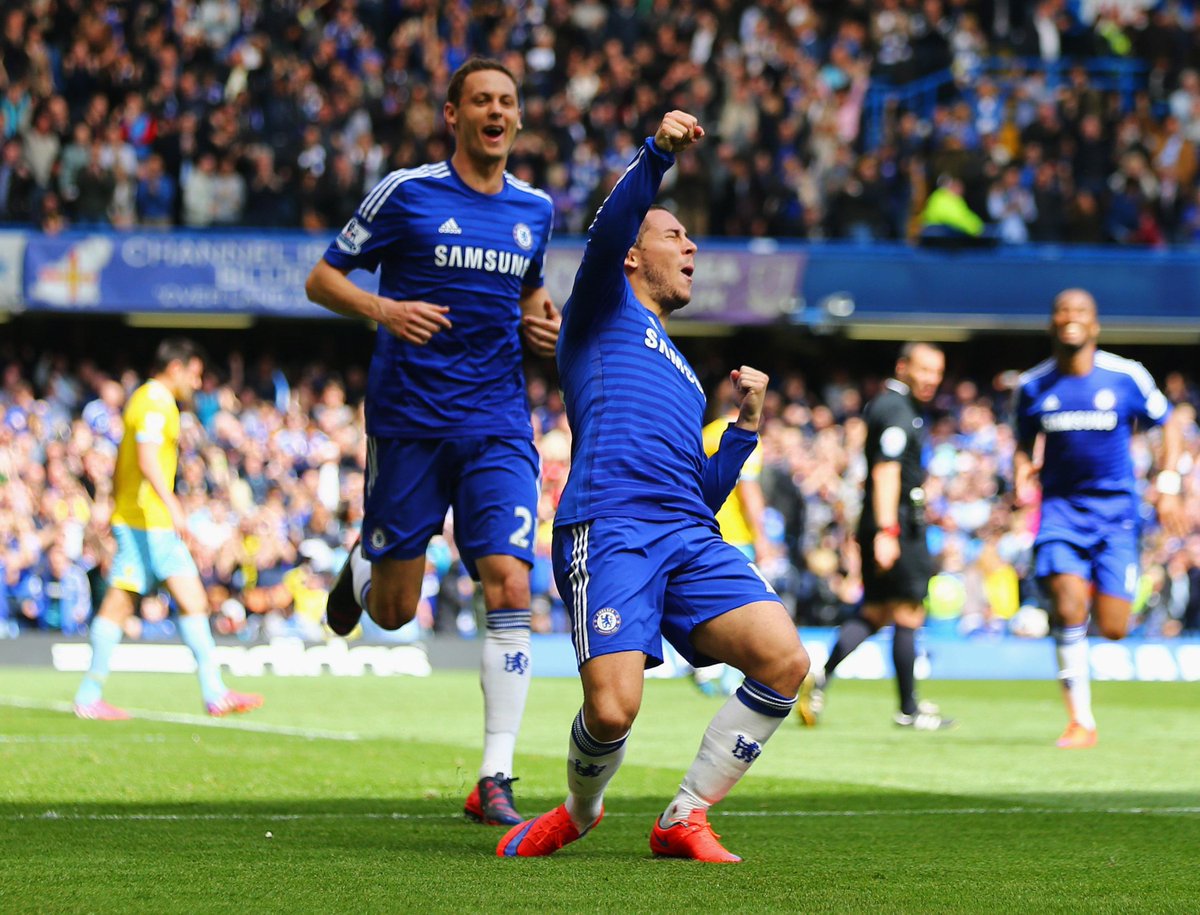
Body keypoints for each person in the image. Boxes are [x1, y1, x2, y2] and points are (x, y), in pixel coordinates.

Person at [497, 111, 809, 864]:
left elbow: (698, 497)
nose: (691, 246)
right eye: (674, 236)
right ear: (633, 258)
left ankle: (685, 814)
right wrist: (656, 156)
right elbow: (607, 233)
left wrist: (742, 430)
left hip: (688, 536)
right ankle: (579, 808)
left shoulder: (679, 367)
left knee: (786, 660)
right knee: (612, 709)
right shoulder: (599, 313)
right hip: (611, 528)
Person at [304, 57, 558, 826]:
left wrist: (541, 318)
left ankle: (495, 774)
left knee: (511, 582)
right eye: (480, 99)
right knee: (392, 611)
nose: (495, 111)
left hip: (498, 423)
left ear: (517, 118)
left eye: (507, 101)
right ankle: (365, 561)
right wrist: (387, 310)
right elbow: (321, 279)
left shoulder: (535, 209)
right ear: (452, 114)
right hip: (410, 422)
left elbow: (530, 288)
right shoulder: (407, 192)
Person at [1012, 289, 1184, 748]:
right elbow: (1022, 443)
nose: (1071, 318)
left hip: (1117, 518)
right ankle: (1080, 722)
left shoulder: (1126, 376)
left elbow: (1169, 423)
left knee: (1113, 627)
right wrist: (1021, 473)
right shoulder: (1032, 386)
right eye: (1062, 311)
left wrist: (1166, 486)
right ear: (1051, 323)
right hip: (1061, 514)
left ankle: (1086, 587)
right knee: (1069, 608)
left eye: (1080, 312)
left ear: (1095, 324)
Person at [74, 338, 263, 720]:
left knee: (119, 603)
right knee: (191, 598)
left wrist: (114, 504)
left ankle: (89, 695)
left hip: (137, 517)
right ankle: (214, 693)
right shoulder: (156, 401)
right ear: (176, 368)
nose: (196, 383)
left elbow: (125, 460)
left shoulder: (147, 400)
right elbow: (145, 458)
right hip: (150, 520)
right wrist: (174, 506)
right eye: (194, 374)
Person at [798, 342, 954, 730]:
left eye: (937, 372)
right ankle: (908, 709)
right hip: (896, 525)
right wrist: (888, 530)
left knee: (874, 613)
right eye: (924, 370)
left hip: (886, 520)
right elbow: (886, 470)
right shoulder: (897, 409)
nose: (932, 379)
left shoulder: (893, 407)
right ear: (903, 367)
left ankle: (821, 676)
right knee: (908, 612)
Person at [692, 383, 770, 697]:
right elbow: (747, 489)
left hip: (702, 528)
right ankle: (730, 675)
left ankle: (705, 668)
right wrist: (762, 536)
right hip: (735, 535)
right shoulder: (747, 438)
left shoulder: (705, 433)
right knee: (743, 607)